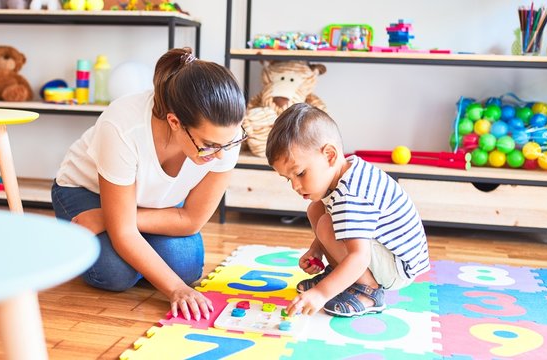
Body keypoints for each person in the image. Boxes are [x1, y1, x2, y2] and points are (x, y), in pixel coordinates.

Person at [51, 48, 246, 322]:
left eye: (229, 142)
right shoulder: (122, 126)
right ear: (175, 122)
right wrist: (175, 289)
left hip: (144, 204)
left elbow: (191, 220)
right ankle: (76, 237)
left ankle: (108, 221)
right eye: (209, 146)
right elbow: (126, 233)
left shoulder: (225, 135)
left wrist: (110, 220)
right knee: (115, 273)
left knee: (186, 266)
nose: (221, 155)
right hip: (85, 192)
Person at [265, 103, 429, 317]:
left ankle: (369, 291)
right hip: (384, 251)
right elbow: (340, 223)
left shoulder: (350, 195)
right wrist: (317, 249)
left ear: (330, 155)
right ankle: (341, 277)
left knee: (325, 224)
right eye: (289, 179)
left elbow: (359, 256)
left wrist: (320, 294)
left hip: (398, 266)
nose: (295, 186)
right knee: (316, 208)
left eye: (301, 173)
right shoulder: (344, 172)